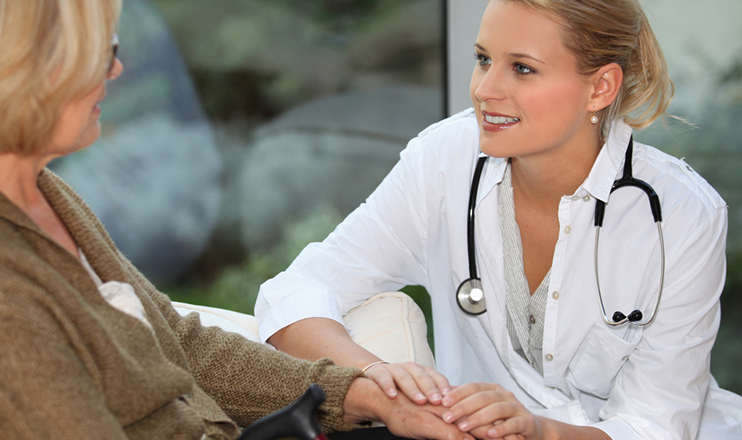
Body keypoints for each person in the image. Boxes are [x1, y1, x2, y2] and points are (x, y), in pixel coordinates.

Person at [0, 1, 477, 439]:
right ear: (19, 70)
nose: (116, 72)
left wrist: (364, 394)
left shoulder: (45, 191)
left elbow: (180, 345)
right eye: (103, 53)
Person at [255, 0, 742, 439]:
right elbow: (296, 290)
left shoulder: (682, 216)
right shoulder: (443, 160)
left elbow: (655, 427)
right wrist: (374, 377)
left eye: (522, 69)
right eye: (483, 59)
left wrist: (539, 431)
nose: (485, 90)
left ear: (600, 87)